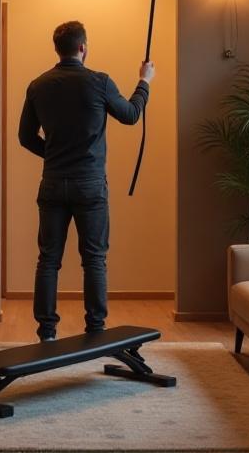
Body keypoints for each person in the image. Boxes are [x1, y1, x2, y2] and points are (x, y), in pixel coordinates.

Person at [18, 20, 155, 341]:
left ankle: (47, 333)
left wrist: (52, 155)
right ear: (83, 48)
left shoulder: (38, 85)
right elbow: (132, 114)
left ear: (58, 49)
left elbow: (25, 137)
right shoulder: (99, 82)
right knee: (94, 258)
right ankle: (95, 331)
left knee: (48, 259)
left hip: (52, 183)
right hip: (90, 185)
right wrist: (144, 81)